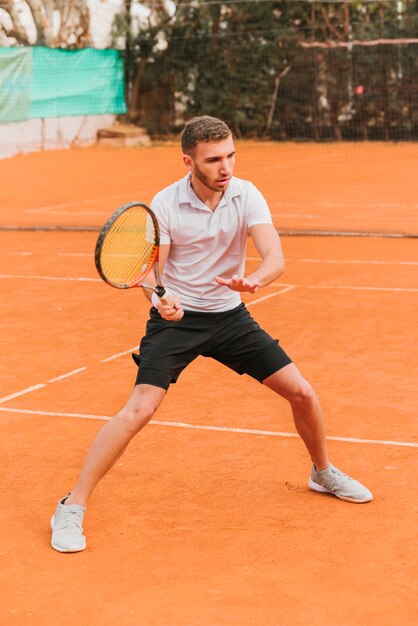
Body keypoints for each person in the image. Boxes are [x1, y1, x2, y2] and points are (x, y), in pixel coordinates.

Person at [51, 115, 372, 553]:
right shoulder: (164, 203)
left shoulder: (245, 193)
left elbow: (274, 254)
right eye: (214, 159)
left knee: (302, 392)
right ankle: (71, 505)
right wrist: (159, 301)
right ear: (189, 162)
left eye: (231, 156)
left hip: (230, 316)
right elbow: (149, 269)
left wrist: (256, 279)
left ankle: (322, 472)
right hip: (177, 321)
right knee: (139, 410)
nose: (226, 167)